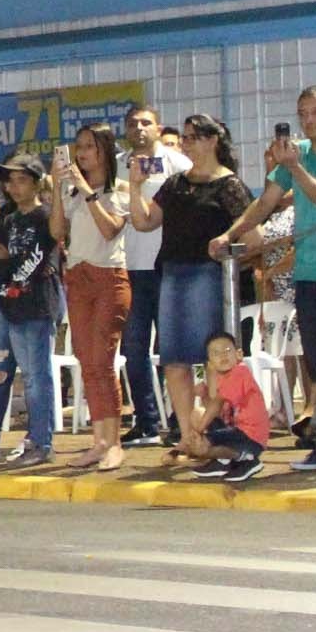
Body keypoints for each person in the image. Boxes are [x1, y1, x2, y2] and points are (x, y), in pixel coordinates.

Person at [214, 87, 316, 477]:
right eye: (303, 113)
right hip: (309, 274)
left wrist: (296, 167)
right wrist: (231, 234)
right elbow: (265, 201)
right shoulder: (295, 155)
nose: (309, 120)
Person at [126, 112, 251, 453]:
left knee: (213, 359)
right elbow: (144, 221)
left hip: (207, 275)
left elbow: (254, 236)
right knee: (174, 358)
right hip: (172, 273)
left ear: (212, 141)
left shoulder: (229, 185)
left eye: (194, 136)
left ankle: (217, 429)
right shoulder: (176, 183)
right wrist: (135, 187)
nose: (186, 143)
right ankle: (188, 433)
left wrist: (227, 240)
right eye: (184, 137)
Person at [0, 153, 64, 469]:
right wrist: (3, 259)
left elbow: (49, 247)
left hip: (35, 307)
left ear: (37, 183)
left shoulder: (45, 215)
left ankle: (40, 441)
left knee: (36, 377)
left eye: (21, 179)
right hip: (6, 306)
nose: (13, 186)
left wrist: (8, 258)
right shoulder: (5, 217)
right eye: (9, 180)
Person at [53, 127, 131, 471]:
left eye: (88, 147)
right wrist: (57, 188)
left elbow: (111, 229)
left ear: (105, 151)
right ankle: (98, 441)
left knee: (103, 358)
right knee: (87, 360)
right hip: (78, 277)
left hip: (109, 278)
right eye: (78, 148)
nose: (81, 154)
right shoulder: (71, 192)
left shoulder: (121, 190)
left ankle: (114, 442)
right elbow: (56, 232)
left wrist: (87, 191)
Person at [118, 105, 189, 447]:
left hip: (168, 266)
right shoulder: (116, 166)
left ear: (158, 128)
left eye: (146, 123)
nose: (139, 128)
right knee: (134, 349)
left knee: (172, 348)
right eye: (132, 124)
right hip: (129, 268)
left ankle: (179, 419)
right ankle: (145, 421)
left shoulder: (178, 163)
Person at [170, 329, 271, 482]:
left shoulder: (240, 372)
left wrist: (197, 431)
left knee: (201, 445)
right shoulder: (222, 378)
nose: (223, 355)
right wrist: (204, 395)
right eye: (216, 353)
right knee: (199, 423)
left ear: (239, 355)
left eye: (227, 350)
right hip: (237, 431)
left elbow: (216, 404)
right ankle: (223, 461)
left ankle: (247, 459)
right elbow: (219, 411)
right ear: (210, 363)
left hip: (251, 437)